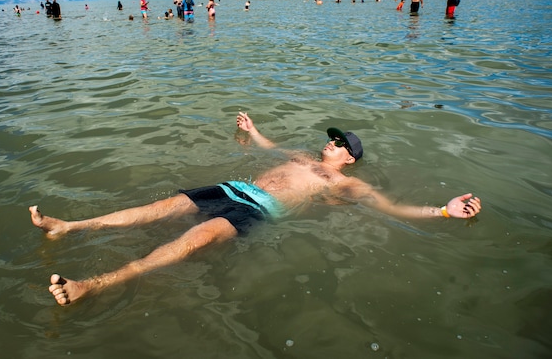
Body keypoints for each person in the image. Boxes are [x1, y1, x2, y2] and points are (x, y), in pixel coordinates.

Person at [30, 112, 482, 306]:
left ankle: (93, 284)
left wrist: (442, 212)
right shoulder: (303, 157)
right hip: (231, 188)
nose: (333, 141)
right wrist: (252, 129)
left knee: (192, 241)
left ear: (350, 158)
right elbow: (267, 147)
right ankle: (69, 227)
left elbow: (393, 208)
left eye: (341, 143)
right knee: (158, 207)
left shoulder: (346, 184)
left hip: (256, 211)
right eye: (333, 136)